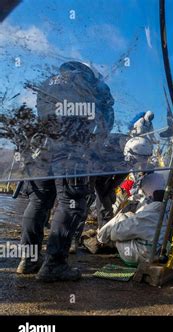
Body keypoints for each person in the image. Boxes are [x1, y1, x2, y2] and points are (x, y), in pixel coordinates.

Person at [16, 61, 115, 282]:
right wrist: (95, 145)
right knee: (71, 202)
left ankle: (28, 260)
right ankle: (54, 264)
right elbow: (107, 115)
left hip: (40, 148)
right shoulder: (91, 83)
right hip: (71, 149)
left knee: (39, 202)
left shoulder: (47, 81)